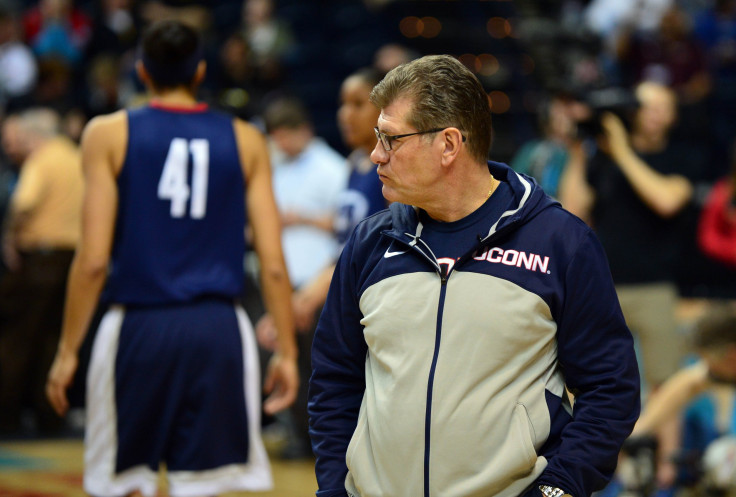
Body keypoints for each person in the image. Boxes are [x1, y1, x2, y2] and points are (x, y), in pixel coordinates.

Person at [308, 54, 640, 497]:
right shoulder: (370, 243)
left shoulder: (561, 242)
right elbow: (333, 381)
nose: (375, 155)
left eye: (390, 139)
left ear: (448, 144)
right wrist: (333, 488)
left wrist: (559, 488)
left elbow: (610, 389)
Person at [44, 20, 298, 497]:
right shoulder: (246, 139)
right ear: (200, 72)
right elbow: (274, 262)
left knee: (125, 484)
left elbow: (93, 260)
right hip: (218, 329)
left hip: (139, 326)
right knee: (202, 486)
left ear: (141, 71)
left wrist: (67, 350)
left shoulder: (108, 133)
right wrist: (285, 349)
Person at [0, 107, 82, 437]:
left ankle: (6, 417)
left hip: (40, 258)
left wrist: (9, 236)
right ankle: (50, 416)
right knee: (56, 341)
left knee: (15, 339)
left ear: (35, 136)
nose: (13, 146)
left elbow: (24, 203)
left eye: (18, 139)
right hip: (74, 260)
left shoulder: (43, 160)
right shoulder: (77, 156)